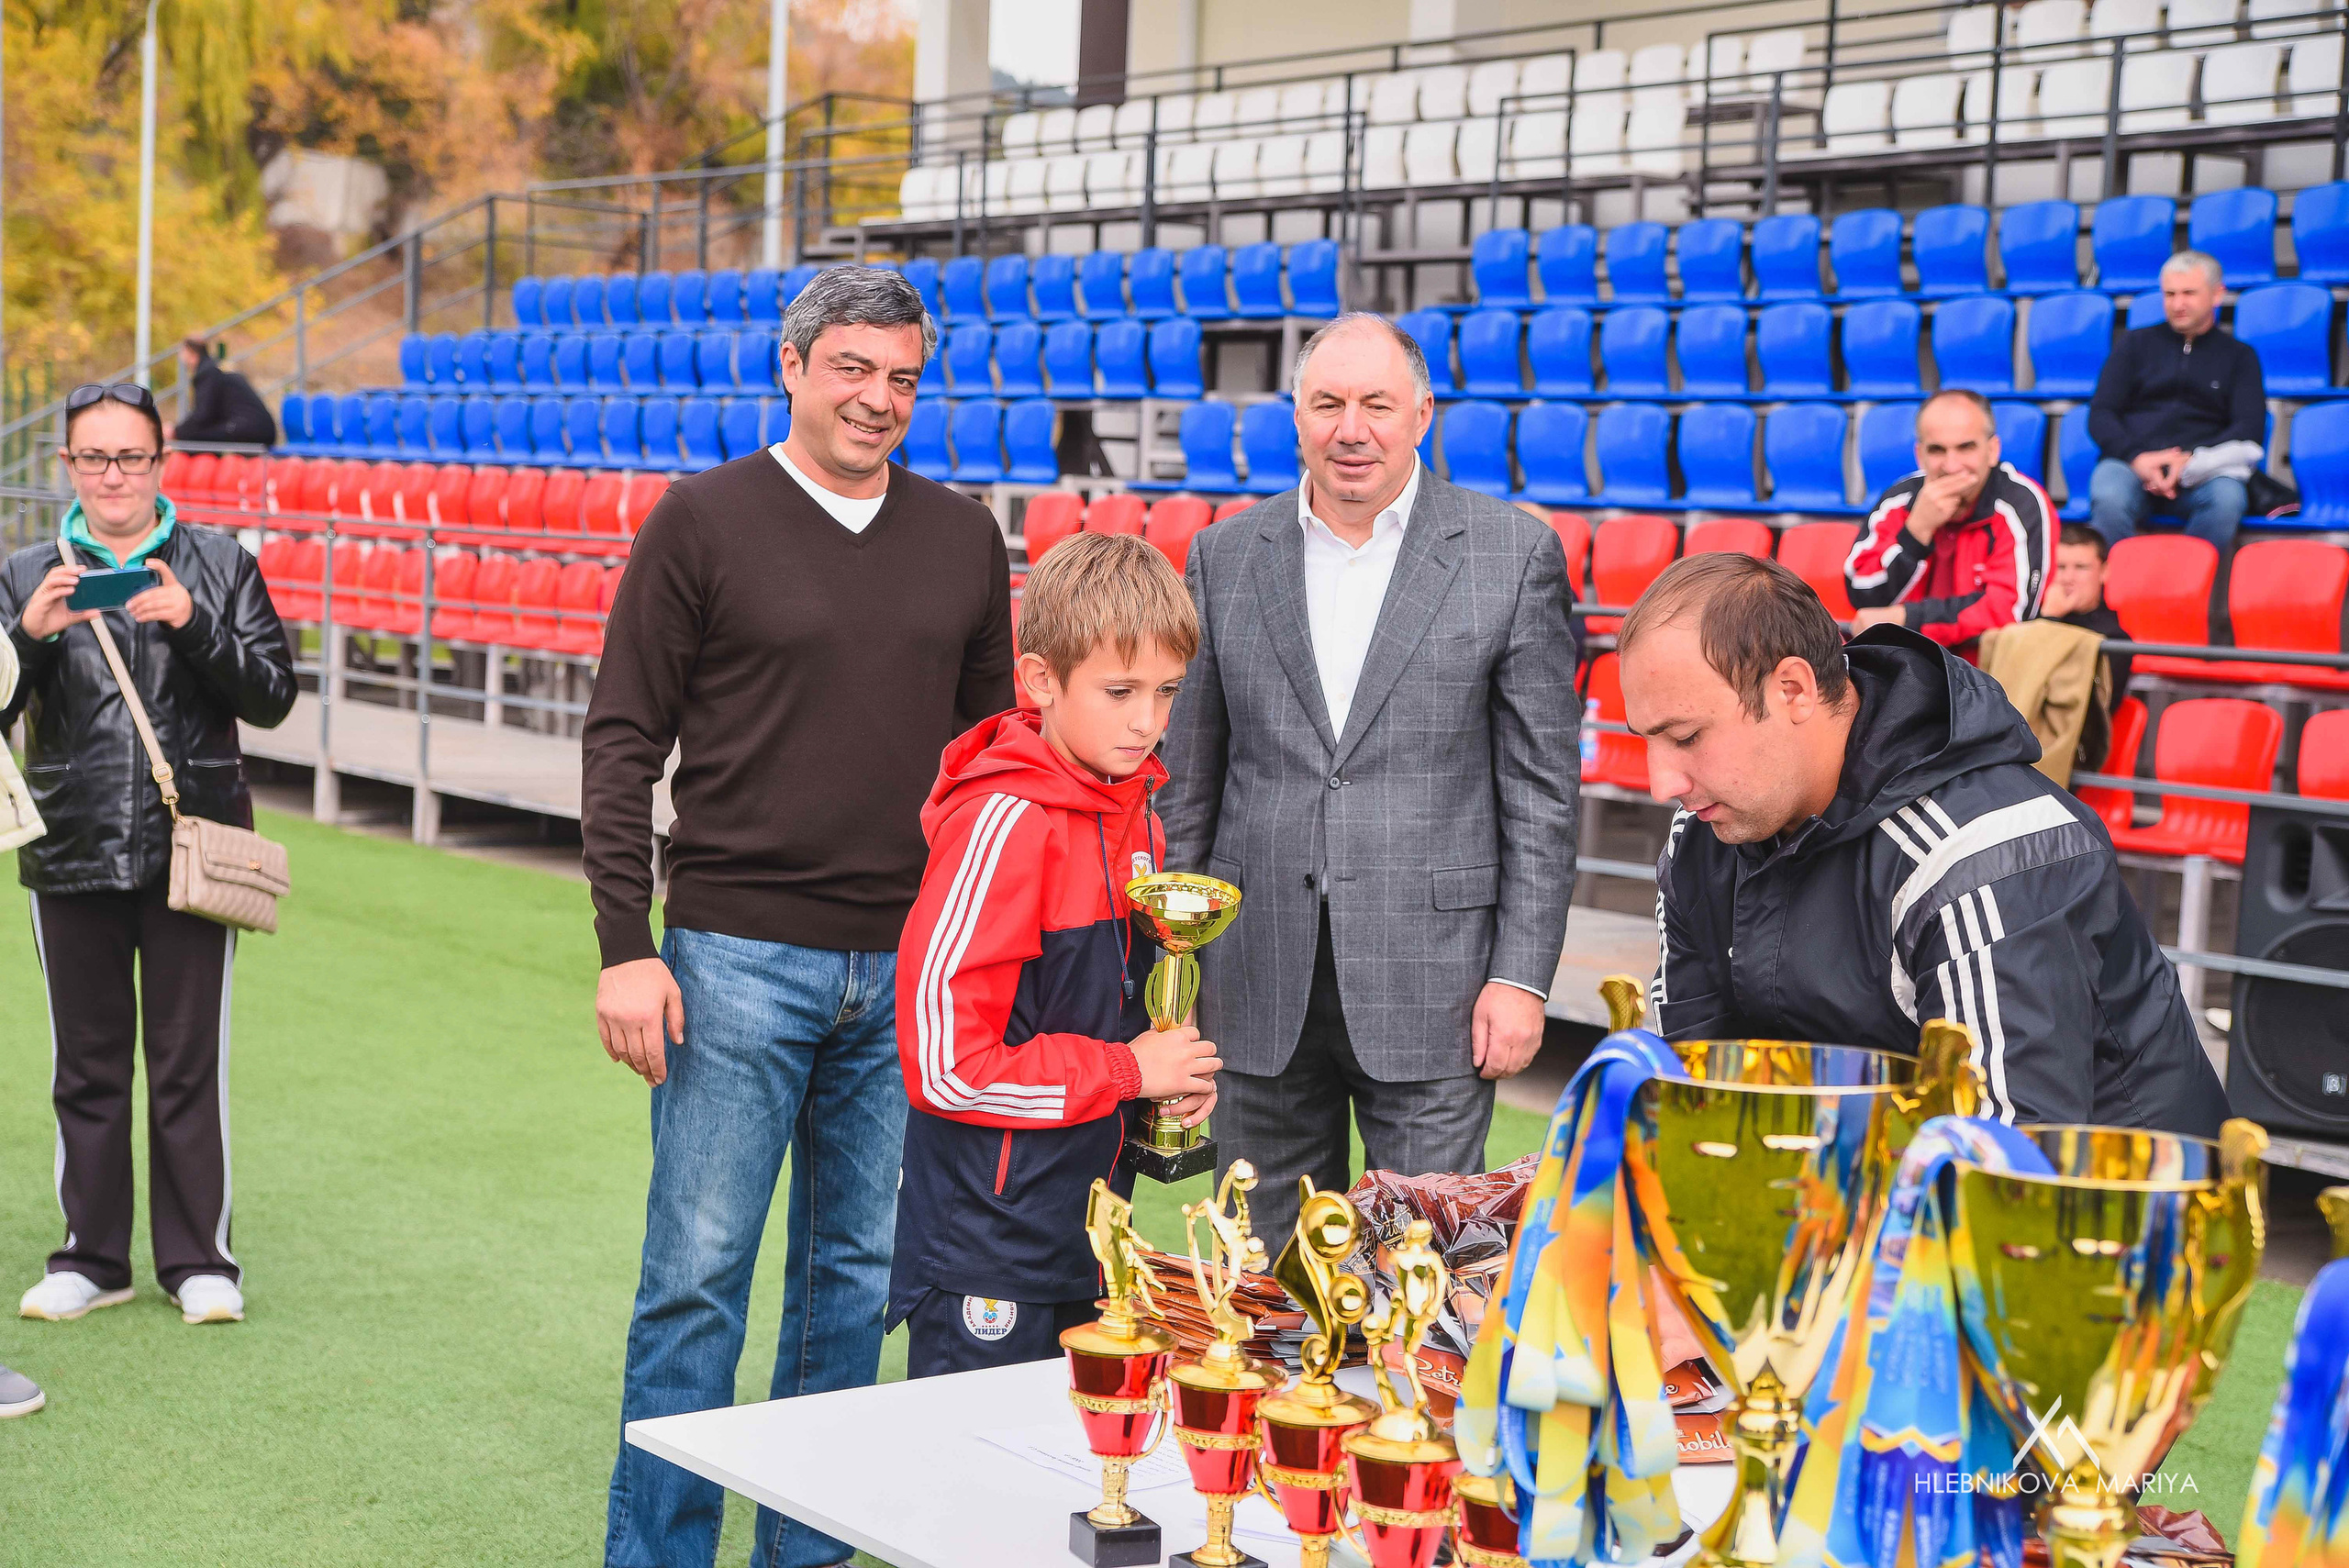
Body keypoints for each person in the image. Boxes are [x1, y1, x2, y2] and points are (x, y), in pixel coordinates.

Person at [584, 265, 1013, 1568]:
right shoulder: (701, 520)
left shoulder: (963, 537)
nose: (878, 399)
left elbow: (993, 763)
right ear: (793, 366)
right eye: (853, 370)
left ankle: (805, 1554)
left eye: (902, 379)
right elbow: (622, 740)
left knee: (851, 1289)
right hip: (733, 960)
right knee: (695, 1284)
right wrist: (625, 948)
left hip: (906, 971)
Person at [1158, 312, 1580, 1249]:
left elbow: (1542, 793)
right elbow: (1188, 781)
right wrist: (1173, 972)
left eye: (1376, 405)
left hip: (1438, 986)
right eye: (1328, 404)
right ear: (1296, 416)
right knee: (1262, 1270)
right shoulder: (1224, 555)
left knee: (1421, 1273)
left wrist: (1520, 976)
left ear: (1422, 414)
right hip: (1253, 978)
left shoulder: (1511, 554)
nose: (1351, 429)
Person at [1620, 551, 2224, 1137]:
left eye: (1687, 737)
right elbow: (1686, 1085)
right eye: (1648, 740)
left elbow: (1998, 1157)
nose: (1661, 784)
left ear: (1794, 690)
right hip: (1873, 1165)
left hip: (2114, 1196)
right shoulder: (1704, 830)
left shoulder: (1979, 853)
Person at [889, 532, 1219, 1376]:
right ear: (1040, 679)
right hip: (985, 1248)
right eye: (1120, 691)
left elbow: (1112, 1018)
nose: (1148, 721)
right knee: (971, 1462)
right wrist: (1125, 1071)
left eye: (1167, 691)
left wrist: (1166, 1082)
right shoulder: (1003, 821)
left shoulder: (1139, 817)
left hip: (1092, 1236)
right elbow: (944, 1067)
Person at [2, 382, 296, 1328]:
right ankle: (90, 1257)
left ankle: (199, 1260)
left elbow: (273, 695)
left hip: (192, 850)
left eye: (130, 457)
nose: (113, 476)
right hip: (70, 844)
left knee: (186, 1063)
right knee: (85, 1066)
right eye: (93, 458)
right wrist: (27, 637)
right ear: (67, 466)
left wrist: (193, 621)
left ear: (161, 463)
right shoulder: (25, 572)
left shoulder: (221, 563)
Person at [1844, 388, 2055, 654]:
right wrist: (1916, 532)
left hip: (1987, 674)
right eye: (1937, 450)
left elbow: (2012, 609)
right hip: (1906, 667)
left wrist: (1909, 619)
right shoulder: (1899, 500)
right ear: (1920, 455)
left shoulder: (2021, 503)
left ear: (1993, 450)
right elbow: (1862, 592)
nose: (1952, 466)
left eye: (1966, 448)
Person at [2087, 250, 2266, 552]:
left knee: (2226, 500)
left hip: (2204, 468)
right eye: (2170, 294)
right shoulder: (2133, 344)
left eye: (2189, 293)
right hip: (2132, 464)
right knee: (2109, 497)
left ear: (2217, 294)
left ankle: (2186, 582)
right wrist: (2138, 457)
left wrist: (2189, 460)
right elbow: (2101, 414)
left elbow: (2249, 426)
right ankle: (2123, 583)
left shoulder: (2240, 356)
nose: (2177, 304)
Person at [2037, 523, 2132, 769]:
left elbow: (2080, 712)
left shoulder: (2115, 640)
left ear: (2104, 572)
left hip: (2070, 757)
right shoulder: (2035, 619)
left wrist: (2050, 621)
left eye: (2081, 568)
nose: (2068, 578)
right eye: (2060, 567)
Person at [164, 338, 277, 449]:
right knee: (196, 435)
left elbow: (202, 415)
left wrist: (176, 432)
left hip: (250, 430)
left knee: (193, 438)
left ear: (192, 354)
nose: (181, 358)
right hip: (259, 429)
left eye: (183, 353)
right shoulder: (216, 369)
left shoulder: (207, 373)